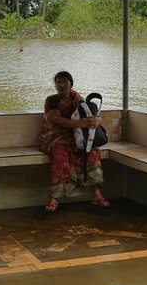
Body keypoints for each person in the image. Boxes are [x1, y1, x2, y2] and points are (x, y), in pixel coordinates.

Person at [39, 71, 110, 213]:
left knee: (92, 151)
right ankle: (55, 198)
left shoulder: (78, 99)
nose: (61, 85)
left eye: (65, 82)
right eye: (58, 82)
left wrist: (96, 121)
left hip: (75, 136)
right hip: (54, 136)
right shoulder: (51, 100)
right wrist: (80, 124)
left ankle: (97, 194)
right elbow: (57, 120)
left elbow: (94, 115)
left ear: (71, 84)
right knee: (60, 152)